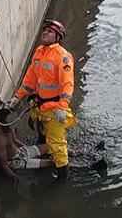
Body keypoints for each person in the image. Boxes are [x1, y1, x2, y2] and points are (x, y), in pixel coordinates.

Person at [12, 19, 77, 180]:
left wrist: (62, 107)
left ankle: (62, 178)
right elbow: (30, 80)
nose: (45, 33)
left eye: (49, 31)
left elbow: (67, 84)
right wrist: (16, 98)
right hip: (40, 105)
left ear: (57, 37)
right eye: (45, 30)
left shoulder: (63, 57)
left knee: (57, 145)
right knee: (42, 136)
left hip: (55, 109)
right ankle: (45, 159)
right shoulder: (39, 52)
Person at [0, 108, 53, 182]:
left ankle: (69, 151)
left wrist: (27, 148)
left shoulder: (9, 127)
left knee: (50, 146)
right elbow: (4, 164)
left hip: (20, 152)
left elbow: (15, 140)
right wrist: (15, 177)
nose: (14, 123)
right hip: (14, 162)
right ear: (4, 122)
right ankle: (67, 164)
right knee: (51, 162)